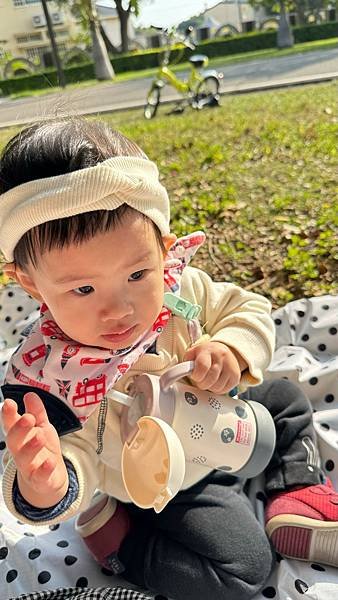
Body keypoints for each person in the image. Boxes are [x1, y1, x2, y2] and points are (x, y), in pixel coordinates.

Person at [0, 118, 338, 600]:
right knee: (243, 568)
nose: (120, 309)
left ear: (162, 246)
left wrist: (232, 347)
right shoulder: (49, 377)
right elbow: (66, 455)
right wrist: (47, 484)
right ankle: (123, 540)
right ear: (31, 284)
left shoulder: (182, 293)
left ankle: (298, 493)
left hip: (226, 417)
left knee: (284, 396)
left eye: (138, 273)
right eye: (83, 289)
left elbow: (248, 308)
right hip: (164, 483)